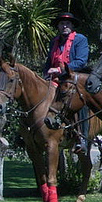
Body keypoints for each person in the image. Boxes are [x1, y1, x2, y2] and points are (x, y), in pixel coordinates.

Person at [43, 11, 91, 153]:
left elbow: (81, 61)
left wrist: (59, 70)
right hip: (55, 79)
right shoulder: (54, 41)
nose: (65, 26)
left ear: (72, 26)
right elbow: (48, 62)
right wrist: (46, 74)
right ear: (58, 26)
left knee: (79, 100)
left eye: (68, 23)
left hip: (73, 78)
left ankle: (81, 138)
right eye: (62, 23)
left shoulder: (80, 40)